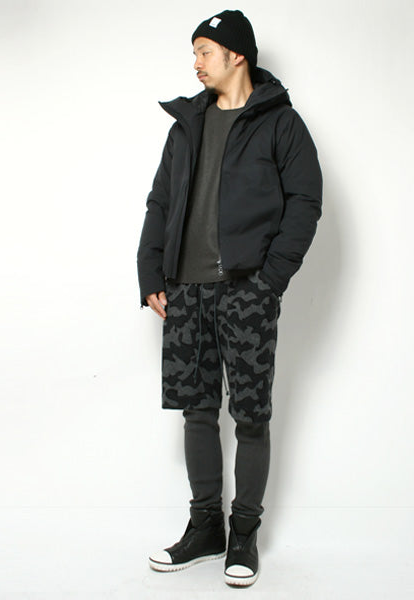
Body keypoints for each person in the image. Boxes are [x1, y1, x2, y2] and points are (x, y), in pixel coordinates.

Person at [137, 9, 322, 587]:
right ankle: (204, 529)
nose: (195, 63)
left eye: (204, 51)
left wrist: (271, 280)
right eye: (194, 52)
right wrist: (150, 273)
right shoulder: (186, 125)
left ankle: (243, 533)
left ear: (236, 54)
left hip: (247, 290)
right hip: (186, 290)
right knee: (196, 411)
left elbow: (305, 201)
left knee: (250, 415)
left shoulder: (280, 123)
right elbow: (160, 202)